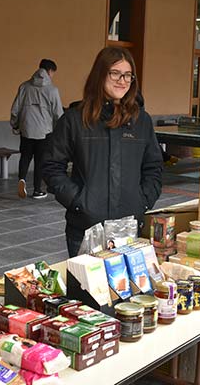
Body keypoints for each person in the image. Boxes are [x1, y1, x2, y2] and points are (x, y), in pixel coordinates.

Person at [42, 47, 163, 257]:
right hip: (86, 227)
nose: (122, 80)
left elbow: (153, 167)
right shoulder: (75, 119)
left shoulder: (141, 121)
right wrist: (79, 201)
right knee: (87, 289)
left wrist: (143, 200)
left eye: (128, 75)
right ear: (100, 74)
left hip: (129, 226)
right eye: (115, 73)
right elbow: (52, 166)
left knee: (125, 288)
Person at [10, 59, 64, 199]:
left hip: (26, 128)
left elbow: (15, 109)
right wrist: (60, 130)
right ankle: (37, 190)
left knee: (26, 156)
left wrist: (15, 124)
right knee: (40, 160)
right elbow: (58, 113)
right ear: (50, 71)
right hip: (44, 131)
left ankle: (21, 179)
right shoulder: (52, 90)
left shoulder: (24, 87)